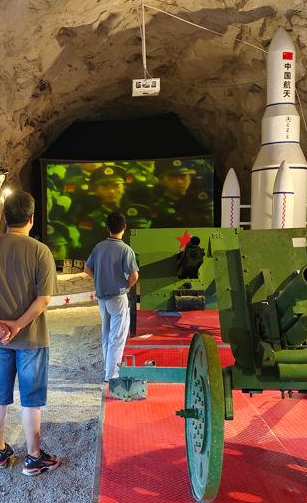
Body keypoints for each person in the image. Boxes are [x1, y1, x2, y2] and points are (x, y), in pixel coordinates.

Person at [0, 191, 61, 475]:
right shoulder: (40, 251)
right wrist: (18, 325)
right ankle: (33, 457)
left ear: (4, 217)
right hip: (31, 339)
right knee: (30, 399)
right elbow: (43, 299)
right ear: (32, 219)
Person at [84, 212, 140, 383]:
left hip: (102, 298)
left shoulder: (98, 247)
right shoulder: (126, 249)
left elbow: (87, 269)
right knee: (117, 336)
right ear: (125, 227)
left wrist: (100, 279)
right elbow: (134, 275)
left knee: (106, 333)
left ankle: (107, 368)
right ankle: (112, 375)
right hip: (118, 297)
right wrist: (128, 286)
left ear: (107, 227)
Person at [77, 165, 151, 259]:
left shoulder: (138, 212)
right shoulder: (91, 220)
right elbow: (87, 252)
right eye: (105, 187)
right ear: (97, 190)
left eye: (116, 186)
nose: (111, 191)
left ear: (123, 188)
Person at [148, 160, 212, 228]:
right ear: (161, 180)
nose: (179, 182)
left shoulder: (197, 202)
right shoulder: (159, 209)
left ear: (189, 178)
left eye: (183, 177)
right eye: (172, 178)